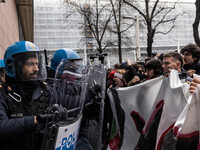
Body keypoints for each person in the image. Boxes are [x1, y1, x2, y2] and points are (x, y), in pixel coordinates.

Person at [0, 41, 51, 150]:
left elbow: (68, 104)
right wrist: (34, 121)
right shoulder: (3, 94)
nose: (36, 69)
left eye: (37, 64)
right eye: (30, 64)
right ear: (14, 66)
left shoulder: (47, 90)